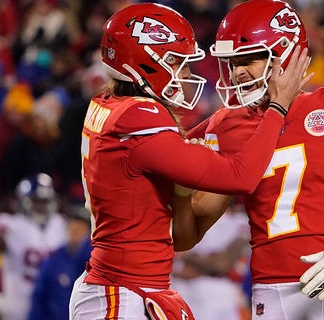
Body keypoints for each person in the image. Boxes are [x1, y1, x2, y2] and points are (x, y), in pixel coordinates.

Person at [69, 2, 309, 320]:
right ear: (145, 61)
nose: (185, 74)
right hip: (122, 291)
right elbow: (240, 176)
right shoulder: (141, 116)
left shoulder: (109, 104)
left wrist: (182, 192)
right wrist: (278, 106)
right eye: (177, 63)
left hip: (132, 285)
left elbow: (176, 232)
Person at [185, 1, 324, 318]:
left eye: (248, 59)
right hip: (269, 293)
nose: (237, 72)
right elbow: (191, 230)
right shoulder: (227, 125)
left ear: (285, 54)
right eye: (231, 63)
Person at [0, 173, 68, 320]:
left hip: (52, 299)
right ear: (23, 201)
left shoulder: (60, 224)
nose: (42, 206)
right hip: (19, 299)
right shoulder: (10, 224)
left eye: (45, 201)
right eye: (36, 201)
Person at [28, 207, 92, 320]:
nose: (76, 230)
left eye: (81, 227)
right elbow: (39, 297)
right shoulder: (53, 259)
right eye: (73, 225)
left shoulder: (94, 260)